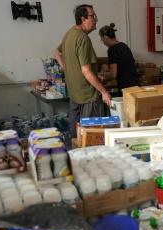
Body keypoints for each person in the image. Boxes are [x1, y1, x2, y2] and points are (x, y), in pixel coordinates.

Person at [54, 4, 111, 136]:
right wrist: (103, 91)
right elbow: (86, 71)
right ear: (83, 19)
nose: (96, 19)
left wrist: (69, 69)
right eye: (93, 16)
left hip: (74, 94)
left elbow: (56, 53)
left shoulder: (69, 34)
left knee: (76, 135)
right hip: (88, 96)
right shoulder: (83, 38)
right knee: (92, 136)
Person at [98, 23, 140, 91]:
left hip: (126, 87)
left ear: (106, 37)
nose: (103, 42)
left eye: (102, 39)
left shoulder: (112, 50)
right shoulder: (124, 45)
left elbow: (113, 74)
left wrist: (104, 79)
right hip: (136, 84)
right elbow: (124, 66)